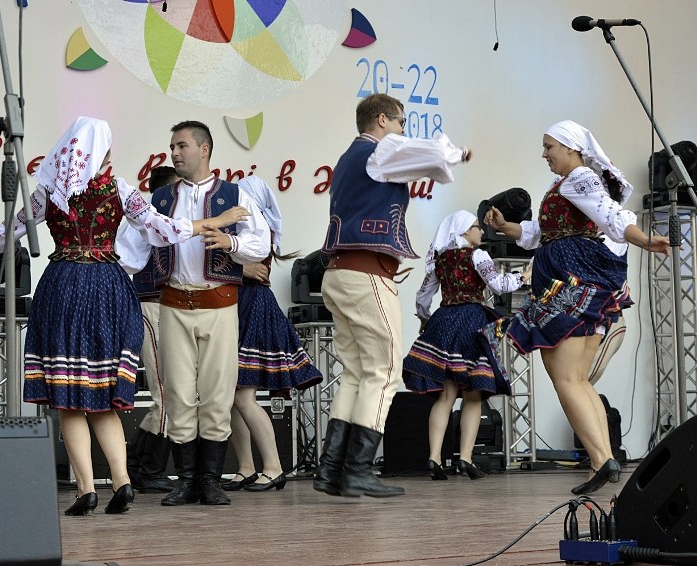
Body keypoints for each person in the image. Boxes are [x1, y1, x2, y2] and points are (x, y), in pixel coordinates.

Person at [0, 117, 229, 516]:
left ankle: (85, 489)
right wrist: (206, 223)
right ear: (105, 152)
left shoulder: (51, 191)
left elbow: (12, 228)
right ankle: (122, 480)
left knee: (68, 397)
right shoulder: (120, 190)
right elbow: (161, 228)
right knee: (100, 397)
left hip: (64, 284)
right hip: (108, 287)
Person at [484, 119, 670, 495]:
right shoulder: (567, 184)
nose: (544, 153)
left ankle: (601, 459)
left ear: (570, 147)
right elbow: (539, 234)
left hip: (569, 276)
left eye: (549, 146)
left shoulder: (580, 177)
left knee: (565, 378)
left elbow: (613, 218)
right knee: (577, 379)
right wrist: (507, 227)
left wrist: (645, 240)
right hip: (571, 272)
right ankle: (603, 458)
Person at [314, 93, 473, 498]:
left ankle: (332, 471)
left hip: (340, 273)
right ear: (382, 120)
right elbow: (431, 152)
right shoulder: (378, 148)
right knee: (385, 372)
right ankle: (357, 471)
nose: (404, 130)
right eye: (401, 122)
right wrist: (455, 153)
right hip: (367, 274)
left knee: (356, 372)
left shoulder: (350, 157)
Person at [117, 120, 271, 507]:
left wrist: (230, 240)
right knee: (180, 395)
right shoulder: (160, 200)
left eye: (182, 145)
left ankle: (210, 481)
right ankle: (186, 481)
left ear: (204, 149)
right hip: (173, 304)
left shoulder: (235, 196)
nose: (175, 152)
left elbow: (261, 243)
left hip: (219, 304)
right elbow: (131, 248)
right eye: (172, 146)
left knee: (218, 395)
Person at [403, 210, 529, 481]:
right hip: (471, 321)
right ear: (463, 231)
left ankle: (434, 459)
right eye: (476, 227)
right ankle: (465, 459)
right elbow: (499, 285)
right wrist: (523, 277)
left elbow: (423, 297)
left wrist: (425, 321)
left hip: (444, 322)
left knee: (446, 396)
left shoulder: (440, 260)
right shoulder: (477, 256)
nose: (481, 232)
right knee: (473, 394)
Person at [220, 175, 323, 493]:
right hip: (240, 306)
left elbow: (232, 264)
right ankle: (247, 467)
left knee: (242, 396)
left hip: (253, 308)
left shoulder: (253, 232)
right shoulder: (243, 230)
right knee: (232, 397)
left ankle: (274, 467)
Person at [125, 165, 179, 494]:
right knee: (166, 395)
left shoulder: (163, 220)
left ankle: (138, 466)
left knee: (171, 396)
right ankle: (149, 470)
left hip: (167, 307)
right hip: (151, 305)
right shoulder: (146, 220)